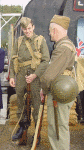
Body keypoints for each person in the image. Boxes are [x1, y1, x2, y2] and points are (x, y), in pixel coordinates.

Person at [9, 17, 50, 144]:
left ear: (33, 27)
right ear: (21, 29)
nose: (27, 31)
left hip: (35, 78)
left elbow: (45, 61)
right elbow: (13, 58)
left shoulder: (40, 41)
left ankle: (37, 133)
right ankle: (22, 128)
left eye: (29, 28)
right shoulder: (18, 41)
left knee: (36, 105)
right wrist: (11, 76)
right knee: (21, 103)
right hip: (21, 76)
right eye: (24, 29)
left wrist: (35, 74)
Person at [40, 15, 76, 150]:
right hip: (61, 90)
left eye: (50, 31)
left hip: (59, 93)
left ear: (55, 30)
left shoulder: (62, 48)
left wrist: (43, 90)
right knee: (59, 126)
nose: (49, 34)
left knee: (57, 127)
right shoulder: (66, 45)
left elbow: (48, 76)